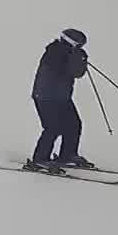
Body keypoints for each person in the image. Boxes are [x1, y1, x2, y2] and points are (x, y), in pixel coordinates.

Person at [27, 29, 92, 172]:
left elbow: (78, 73)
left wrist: (80, 59)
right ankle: (40, 159)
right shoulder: (54, 53)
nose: (80, 47)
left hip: (62, 97)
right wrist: (77, 58)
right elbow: (70, 70)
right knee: (53, 127)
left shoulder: (68, 53)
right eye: (79, 45)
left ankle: (67, 155)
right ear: (72, 43)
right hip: (46, 97)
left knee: (74, 124)